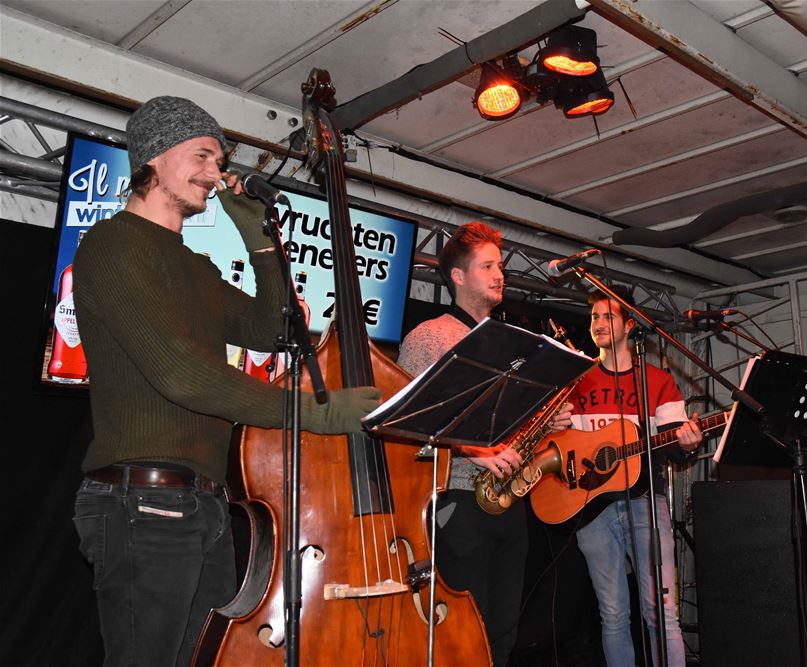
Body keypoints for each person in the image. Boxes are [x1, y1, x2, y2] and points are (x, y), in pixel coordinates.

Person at [72, 96, 382, 667]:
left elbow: (273, 329)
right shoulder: (113, 244)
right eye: (202, 155)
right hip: (144, 501)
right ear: (154, 157)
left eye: (219, 159)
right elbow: (181, 374)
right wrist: (317, 412)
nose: (216, 172)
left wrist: (259, 240)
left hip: (205, 503)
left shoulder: (195, 265)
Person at [396, 222, 571, 666]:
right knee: (460, 630)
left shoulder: (511, 344)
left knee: (503, 629)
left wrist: (543, 424)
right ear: (458, 276)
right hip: (457, 501)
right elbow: (406, 427)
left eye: (500, 267)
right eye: (488, 266)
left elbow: (505, 422)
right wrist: (472, 450)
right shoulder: (428, 337)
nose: (500, 275)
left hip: (509, 503)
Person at [567, 289, 703, 667]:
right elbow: (562, 445)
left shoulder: (656, 380)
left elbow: (673, 444)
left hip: (645, 501)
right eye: (593, 317)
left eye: (607, 316)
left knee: (661, 612)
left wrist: (687, 443)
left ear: (629, 326)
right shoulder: (576, 380)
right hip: (591, 507)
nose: (598, 324)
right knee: (612, 614)